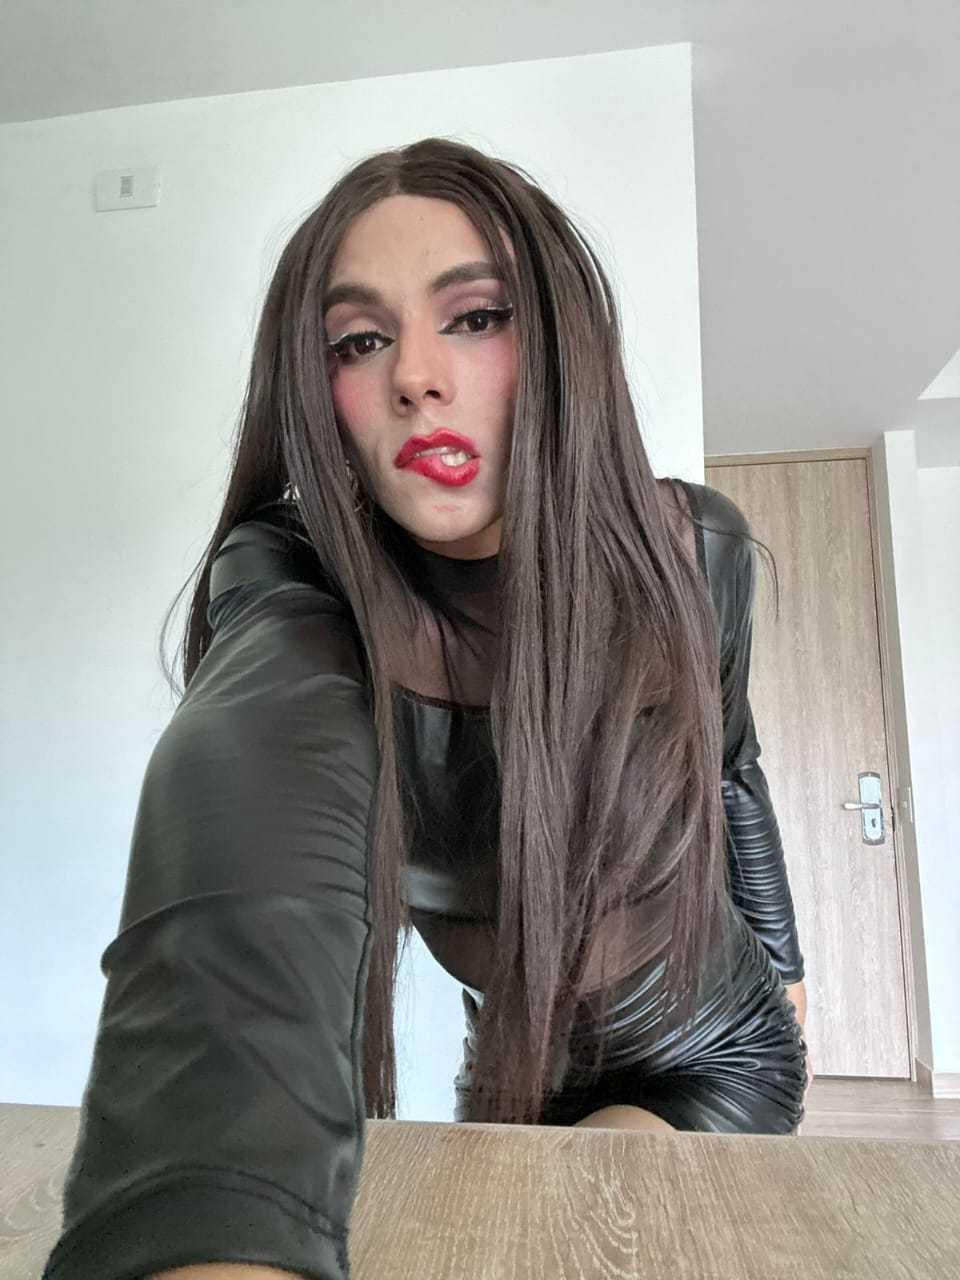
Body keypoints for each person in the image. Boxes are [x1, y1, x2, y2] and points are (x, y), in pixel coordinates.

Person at [42, 136, 809, 1280]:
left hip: (717, 1044)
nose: (415, 374)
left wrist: (788, 961)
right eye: (359, 340)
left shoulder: (695, 553)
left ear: (561, 342)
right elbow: (249, 840)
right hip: (512, 1053)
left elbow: (732, 766)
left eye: (476, 316)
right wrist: (212, 1219)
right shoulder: (298, 584)